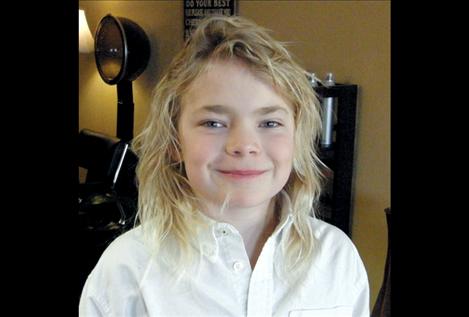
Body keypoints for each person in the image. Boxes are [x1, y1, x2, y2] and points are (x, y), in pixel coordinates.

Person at [79, 15, 369, 316]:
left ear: (296, 138)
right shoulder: (127, 269)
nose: (244, 144)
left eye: (270, 122)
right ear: (175, 142)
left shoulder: (336, 257)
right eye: (213, 122)